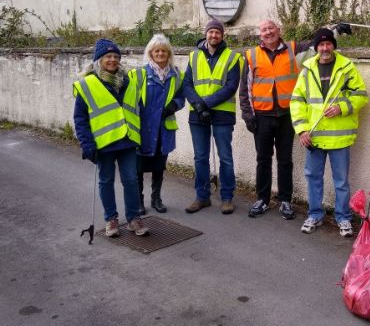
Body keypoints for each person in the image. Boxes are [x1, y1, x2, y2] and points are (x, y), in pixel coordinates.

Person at [290, 28, 368, 237]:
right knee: (313, 178)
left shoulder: (347, 67)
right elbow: (297, 101)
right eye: (321, 45)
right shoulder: (307, 70)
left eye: (328, 44)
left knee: (341, 181)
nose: (325, 48)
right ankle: (315, 215)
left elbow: (361, 96)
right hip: (313, 137)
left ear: (333, 45)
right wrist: (301, 130)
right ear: (316, 47)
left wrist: (341, 107)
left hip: (339, 137)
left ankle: (343, 218)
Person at [73, 38, 149, 237]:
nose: (113, 60)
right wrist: (86, 144)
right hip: (103, 143)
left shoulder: (129, 82)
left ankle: (133, 218)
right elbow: (80, 118)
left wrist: (142, 137)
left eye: (116, 56)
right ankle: (111, 220)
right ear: (99, 59)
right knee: (106, 181)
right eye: (108, 56)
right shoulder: (87, 84)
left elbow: (138, 110)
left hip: (127, 140)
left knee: (131, 180)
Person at [240, 19, 312, 220]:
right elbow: (245, 90)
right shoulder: (251, 55)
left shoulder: (293, 48)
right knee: (263, 159)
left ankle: (285, 200)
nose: (268, 32)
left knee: (285, 160)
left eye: (271, 28)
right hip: (261, 117)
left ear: (279, 30)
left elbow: (319, 41)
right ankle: (262, 199)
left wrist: (335, 31)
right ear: (259, 34)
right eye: (264, 29)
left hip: (286, 116)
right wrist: (248, 116)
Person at [183, 19, 243, 214]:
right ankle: (202, 197)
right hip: (198, 114)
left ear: (222, 35)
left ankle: (227, 198)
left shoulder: (232, 57)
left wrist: (205, 103)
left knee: (225, 157)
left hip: (222, 114)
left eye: (217, 32)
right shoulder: (193, 57)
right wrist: (199, 106)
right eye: (211, 32)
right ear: (205, 34)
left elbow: (231, 86)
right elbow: (187, 85)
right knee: (200, 157)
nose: (214, 35)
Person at [132, 34, 184, 215]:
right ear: (151, 53)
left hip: (163, 128)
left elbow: (181, 97)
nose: (160, 53)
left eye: (164, 51)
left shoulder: (176, 74)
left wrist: (174, 106)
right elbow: (131, 101)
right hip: (143, 128)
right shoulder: (139, 74)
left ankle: (156, 199)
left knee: (159, 166)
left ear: (169, 54)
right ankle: (138, 201)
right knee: (138, 166)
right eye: (157, 51)